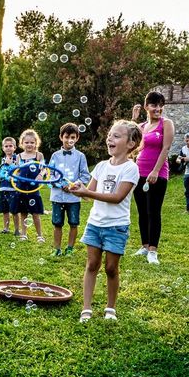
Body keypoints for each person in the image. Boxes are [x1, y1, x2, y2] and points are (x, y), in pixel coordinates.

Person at [69, 120, 142, 323]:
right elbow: (88, 194)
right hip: (95, 223)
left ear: (131, 144)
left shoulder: (131, 169)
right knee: (92, 264)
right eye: (110, 134)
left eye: (117, 136)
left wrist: (87, 191)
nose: (110, 138)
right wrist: (77, 190)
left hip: (116, 226)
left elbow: (117, 197)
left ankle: (110, 307)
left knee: (111, 268)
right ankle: (86, 308)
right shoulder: (101, 166)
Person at [131, 91, 175, 264]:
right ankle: (144, 245)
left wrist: (155, 171)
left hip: (158, 173)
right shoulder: (141, 127)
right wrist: (133, 120)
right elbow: (131, 144)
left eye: (160, 105)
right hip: (139, 172)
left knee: (153, 211)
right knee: (142, 211)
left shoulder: (166, 124)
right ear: (146, 107)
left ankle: (153, 251)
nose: (158, 109)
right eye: (154, 105)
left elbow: (166, 148)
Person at [49, 123, 91, 257]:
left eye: (72, 137)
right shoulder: (55, 155)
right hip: (57, 196)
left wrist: (74, 185)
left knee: (73, 222)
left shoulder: (80, 156)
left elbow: (85, 175)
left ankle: (70, 248)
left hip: (73, 197)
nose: (69, 140)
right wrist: (61, 185)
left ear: (77, 138)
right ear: (61, 137)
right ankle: (57, 249)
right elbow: (50, 174)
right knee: (57, 223)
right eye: (66, 137)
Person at [16, 129, 46, 243]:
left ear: (36, 143)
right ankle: (24, 234)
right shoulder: (19, 156)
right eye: (27, 142)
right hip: (22, 187)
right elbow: (17, 171)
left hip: (34, 187)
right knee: (23, 212)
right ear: (22, 143)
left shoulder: (39, 155)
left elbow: (44, 169)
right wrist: (15, 177)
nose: (29, 145)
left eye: (32, 142)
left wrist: (40, 174)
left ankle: (40, 235)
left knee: (35, 212)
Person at [0, 136, 19, 235]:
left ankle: (17, 230)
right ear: (3, 148)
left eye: (10, 146)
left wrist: (10, 164)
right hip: (2, 188)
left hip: (13, 189)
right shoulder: (3, 159)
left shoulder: (17, 159)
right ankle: (6, 228)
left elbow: (18, 172)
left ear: (15, 148)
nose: (8, 148)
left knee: (14, 210)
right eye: (6, 146)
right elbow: (1, 171)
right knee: (5, 210)